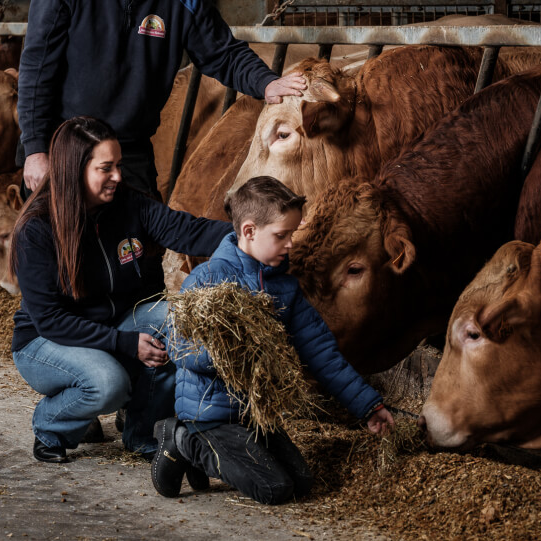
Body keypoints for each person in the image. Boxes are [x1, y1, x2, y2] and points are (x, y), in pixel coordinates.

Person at [18, 0, 307, 198]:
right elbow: (36, 69)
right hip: (65, 144)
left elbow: (224, 54)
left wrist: (267, 83)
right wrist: (35, 149)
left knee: (136, 246)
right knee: (59, 244)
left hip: (128, 151)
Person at [151, 176, 395, 503]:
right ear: (249, 231)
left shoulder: (284, 289)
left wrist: (368, 406)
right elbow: (180, 349)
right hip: (208, 414)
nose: (291, 244)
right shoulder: (208, 279)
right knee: (273, 488)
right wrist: (236, 352)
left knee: (302, 483)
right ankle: (182, 439)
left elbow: (323, 355)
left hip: (254, 416)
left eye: (292, 234)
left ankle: (215, 450)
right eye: (282, 236)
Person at [9, 115, 233, 464]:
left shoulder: (130, 205)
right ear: (74, 170)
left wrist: (251, 235)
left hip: (116, 321)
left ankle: (143, 434)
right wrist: (125, 344)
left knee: (178, 318)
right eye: (106, 168)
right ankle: (51, 425)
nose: (117, 176)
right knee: (107, 384)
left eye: (119, 165)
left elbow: (187, 230)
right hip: (46, 340)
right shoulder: (37, 229)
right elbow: (51, 320)